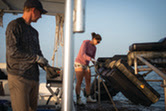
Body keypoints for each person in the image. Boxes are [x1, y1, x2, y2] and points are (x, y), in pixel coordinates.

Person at [6, 0, 48, 111]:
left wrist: (47, 66)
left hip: (34, 78)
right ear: (34, 10)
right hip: (19, 77)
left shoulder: (34, 32)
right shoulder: (14, 26)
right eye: (40, 13)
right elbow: (13, 51)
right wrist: (36, 58)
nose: (41, 17)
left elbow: (38, 52)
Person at [74, 32, 102, 105]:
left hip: (86, 65)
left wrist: (96, 64)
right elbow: (83, 54)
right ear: (93, 39)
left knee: (88, 81)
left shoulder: (94, 48)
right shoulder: (85, 42)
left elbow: (92, 58)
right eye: (98, 41)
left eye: (99, 42)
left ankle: (88, 97)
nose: (98, 43)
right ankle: (78, 99)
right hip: (79, 63)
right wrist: (91, 59)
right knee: (79, 81)